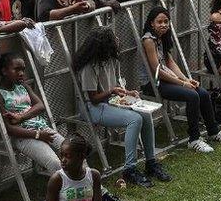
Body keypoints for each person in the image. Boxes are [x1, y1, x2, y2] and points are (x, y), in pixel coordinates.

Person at [0, 52, 134, 201]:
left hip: (43, 128)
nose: (21, 73)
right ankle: (78, 200)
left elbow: (40, 106)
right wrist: (38, 135)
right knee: (55, 163)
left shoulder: (23, 86)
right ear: (4, 71)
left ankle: (101, 195)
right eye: (16, 69)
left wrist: (21, 116)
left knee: (76, 154)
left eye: (23, 69)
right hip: (25, 136)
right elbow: (10, 129)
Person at [72, 27, 170, 188]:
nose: (118, 40)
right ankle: (130, 169)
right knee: (135, 119)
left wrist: (127, 93)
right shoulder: (89, 66)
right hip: (92, 108)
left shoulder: (111, 60)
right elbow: (93, 99)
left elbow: (115, 85)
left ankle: (151, 162)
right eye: (114, 39)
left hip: (110, 102)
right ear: (105, 45)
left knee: (144, 115)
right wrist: (112, 91)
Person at [139, 6, 221, 152]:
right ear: (152, 23)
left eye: (166, 21)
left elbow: (170, 62)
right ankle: (194, 139)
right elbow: (158, 71)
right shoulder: (148, 40)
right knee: (192, 95)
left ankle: (214, 132)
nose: (164, 24)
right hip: (153, 83)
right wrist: (182, 83)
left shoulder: (162, 37)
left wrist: (186, 80)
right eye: (159, 22)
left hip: (166, 78)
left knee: (202, 93)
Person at [45, 133, 102, 201]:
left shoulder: (94, 176)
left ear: (81, 157)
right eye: (61, 155)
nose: (63, 160)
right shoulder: (57, 179)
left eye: (68, 156)